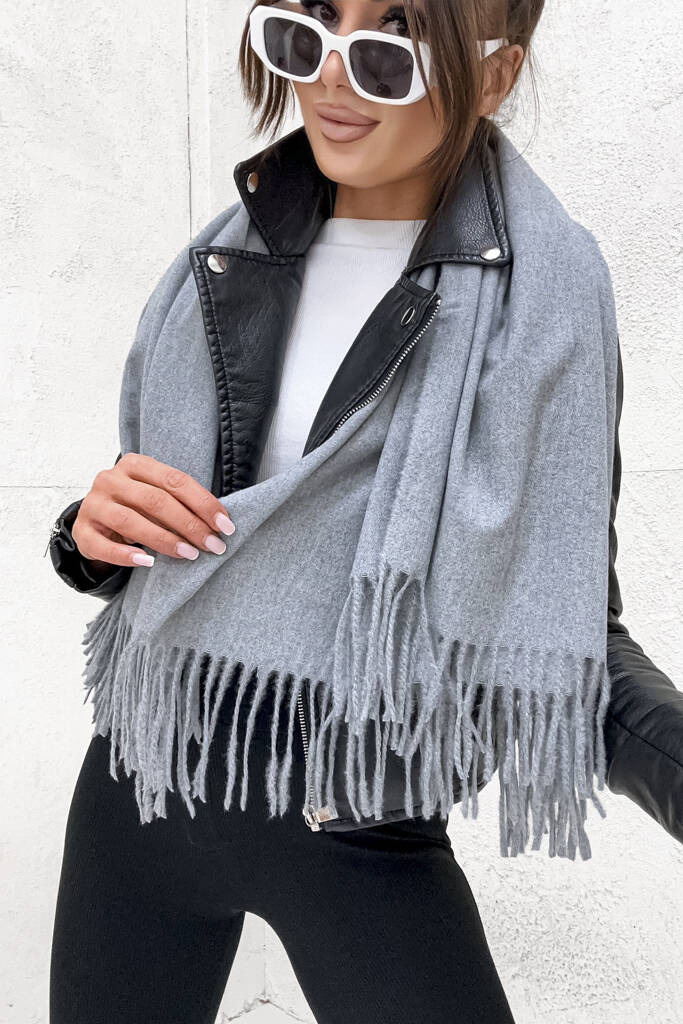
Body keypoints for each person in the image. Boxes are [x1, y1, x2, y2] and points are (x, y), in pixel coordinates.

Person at [47, 2, 681, 1023]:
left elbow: (568, 636)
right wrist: (88, 535)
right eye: (309, 27)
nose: (334, 76)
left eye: (391, 44)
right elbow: (184, 542)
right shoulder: (228, 251)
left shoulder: (545, 302)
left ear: (493, 75)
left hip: (355, 821)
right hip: (142, 778)